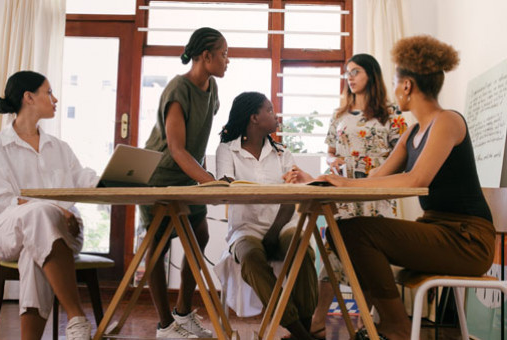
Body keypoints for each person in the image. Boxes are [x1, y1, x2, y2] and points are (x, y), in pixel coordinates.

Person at [315, 35, 495, 340]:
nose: (394, 89)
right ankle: (385, 323)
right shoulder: (412, 131)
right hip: (439, 230)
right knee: (344, 230)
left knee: (357, 232)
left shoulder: (448, 121)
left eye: (397, 83)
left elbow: (415, 181)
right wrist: (327, 182)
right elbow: (375, 182)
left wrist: (345, 183)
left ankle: (394, 326)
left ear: (408, 86)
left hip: (467, 240)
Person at [284, 53, 408, 339]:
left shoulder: (390, 113)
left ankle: (367, 324)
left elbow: (403, 155)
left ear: (371, 75)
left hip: (377, 194)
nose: (350, 77)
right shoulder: (339, 114)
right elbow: (330, 151)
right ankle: (317, 321)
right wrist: (334, 163)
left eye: (356, 72)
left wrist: (376, 170)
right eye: (347, 73)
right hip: (343, 192)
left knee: (370, 259)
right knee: (333, 255)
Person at [138, 27, 229, 339]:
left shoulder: (212, 89)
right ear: (206, 56)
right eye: (224, 54)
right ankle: (165, 326)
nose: (228, 60)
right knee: (158, 247)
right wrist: (211, 182)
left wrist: (206, 178)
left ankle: (183, 313)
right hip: (160, 177)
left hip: (189, 176)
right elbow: (176, 148)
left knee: (198, 237)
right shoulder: (178, 88)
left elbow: (200, 139)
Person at [0, 71, 98, 340]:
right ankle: (76, 315)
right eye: (48, 92)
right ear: (28, 97)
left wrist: (122, 179)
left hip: (62, 234)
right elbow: (3, 200)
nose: (55, 99)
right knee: (42, 214)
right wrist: (56, 210)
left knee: (34, 253)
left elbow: (86, 181)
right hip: (7, 232)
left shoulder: (60, 148)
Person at [216, 92, 318, 340]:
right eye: (270, 111)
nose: (276, 115)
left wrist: (273, 233)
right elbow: (227, 189)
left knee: (302, 249)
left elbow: (289, 199)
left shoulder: (282, 151)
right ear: (254, 118)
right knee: (251, 258)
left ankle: (299, 332)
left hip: (282, 226)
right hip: (245, 229)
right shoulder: (227, 151)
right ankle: (301, 334)